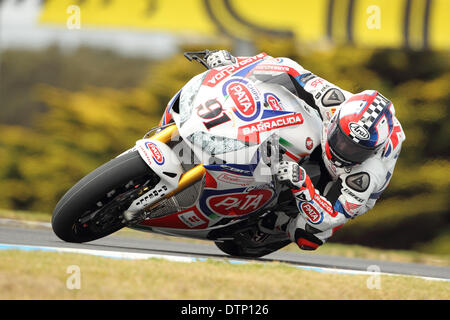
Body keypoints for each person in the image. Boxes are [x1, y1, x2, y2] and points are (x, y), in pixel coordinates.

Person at [205, 50, 406, 250]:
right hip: (322, 133)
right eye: (341, 140)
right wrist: (233, 63)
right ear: (335, 120)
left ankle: (273, 226)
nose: (343, 150)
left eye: (355, 150)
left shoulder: (367, 175)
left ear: (370, 152)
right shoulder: (333, 101)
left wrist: (302, 185)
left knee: (309, 236)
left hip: (341, 182)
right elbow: (289, 69)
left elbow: (329, 218)